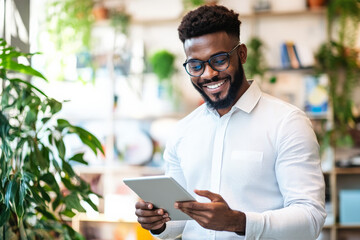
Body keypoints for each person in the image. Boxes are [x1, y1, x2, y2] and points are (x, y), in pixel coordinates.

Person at [135, 5, 326, 240]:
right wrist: (158, 223)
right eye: (196, 65)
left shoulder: (287, 123)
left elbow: (311, 219)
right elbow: (180, 222)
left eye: (219, 59)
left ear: (241, 54)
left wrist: (238, 221)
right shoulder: (183, 131)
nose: (208, 74)